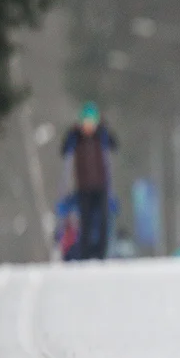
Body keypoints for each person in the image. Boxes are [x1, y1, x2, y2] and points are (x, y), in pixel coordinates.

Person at [59, 101, 117, 260]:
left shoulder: (102, 137)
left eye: (92, 122)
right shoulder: (76, 138)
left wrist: (105, 130)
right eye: (86, 122)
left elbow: (114, 147)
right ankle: (84, 254)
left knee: (103, 221)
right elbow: (65, 153)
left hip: (102, 187)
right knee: (85, 222)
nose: (89, 126)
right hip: (83, 188)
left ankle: (101, 254)